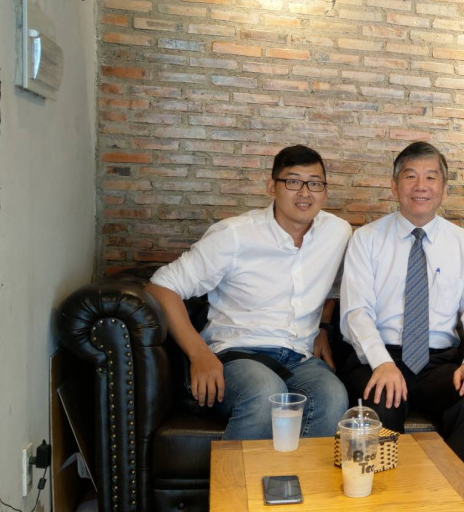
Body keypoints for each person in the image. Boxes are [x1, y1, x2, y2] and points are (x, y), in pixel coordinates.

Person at [147, 145, 350, 442]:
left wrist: (322, 327)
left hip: (299, 358)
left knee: (332, 396)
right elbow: (161, 286)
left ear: (325, 191)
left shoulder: (337, 232)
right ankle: (240, 476)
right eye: (293, 181)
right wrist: (199, 354)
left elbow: (335, 284)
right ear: (271, 186)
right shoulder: (235, 235)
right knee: (265, 392)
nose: (305, 193)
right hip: (237, 353)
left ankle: (301, 475)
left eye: (315, 183)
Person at [339, 141, 464, 474]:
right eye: (410, 176)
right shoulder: (366, 239)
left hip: (439, 363)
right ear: (394, 186)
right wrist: (382, 363)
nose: (420, 186)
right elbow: (356, 312)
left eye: (431, 177)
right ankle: (387, 501)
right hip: (380, 356)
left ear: (444, 188)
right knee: (380, 399)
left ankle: (459, 498)